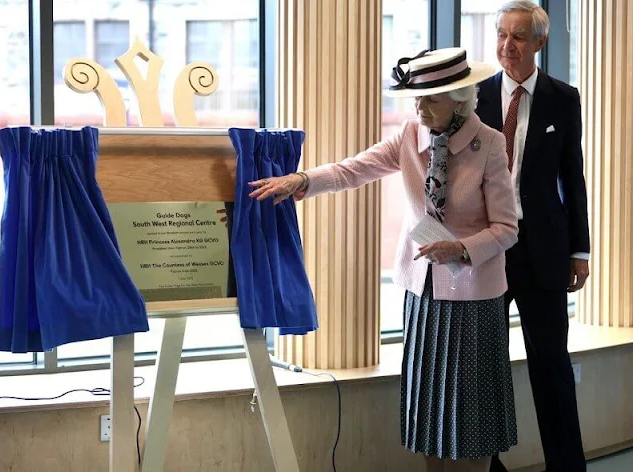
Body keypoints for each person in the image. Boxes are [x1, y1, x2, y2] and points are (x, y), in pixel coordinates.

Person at [249, 47, 519, 472]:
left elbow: (507, 228)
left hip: (475, 299)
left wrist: (461, 249)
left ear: (460, 100)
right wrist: (301, 180)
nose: (419, 107)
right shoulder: (410, 135)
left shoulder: (489, 144)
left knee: (472, 416)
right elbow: (351, 170)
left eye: (431, 98)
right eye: (417, 97)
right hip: (422, 295)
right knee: (430, 407)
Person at [475, 2, 591, 472]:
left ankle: (567, 466)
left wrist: (579, 251)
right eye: (502, 34)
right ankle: (488, 465)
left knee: (552, 367)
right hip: (485, 253)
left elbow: (573, 179)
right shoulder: (474, 97)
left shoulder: (563, 98)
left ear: (540, 42)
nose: (507, 45)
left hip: (542, 252)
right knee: (484, 370)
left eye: (519, 36)